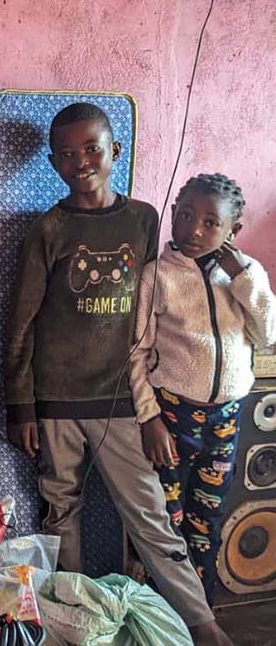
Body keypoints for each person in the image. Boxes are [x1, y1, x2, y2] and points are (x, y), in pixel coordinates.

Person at [3, 103, 232, 645]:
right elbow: (21, 322)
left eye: (91, 149)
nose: (79, 161)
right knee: (61, 514)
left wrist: (152, 404)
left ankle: (202, 622)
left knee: (149, 514)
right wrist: (21, 405)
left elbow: (157, 307)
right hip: (56, 402)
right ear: (54, 163)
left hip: (124, 401)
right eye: (65, 154)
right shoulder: (49, 228)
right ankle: (80, 623)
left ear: (115, 152)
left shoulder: (145, 220)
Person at [130, 173, 276, 602]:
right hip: (173, 416)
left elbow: (267, 335)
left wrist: (244, 276)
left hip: (226, 419)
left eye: (211, 222)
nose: (194, 229)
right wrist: (149, 417)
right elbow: (136, 353)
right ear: (172, 215)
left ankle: (201, 608)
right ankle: (164, 607)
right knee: (167, 519)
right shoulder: (157, 277)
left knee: (206, 521)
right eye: (187, 216)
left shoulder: (247, 276)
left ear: (234, 231)